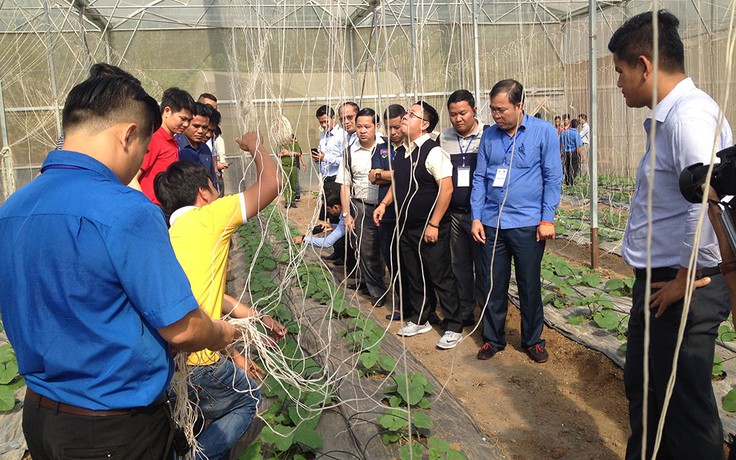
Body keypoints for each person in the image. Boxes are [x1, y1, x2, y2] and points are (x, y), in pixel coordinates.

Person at [0, 71, 238, 459]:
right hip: (112, 429)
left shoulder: (12, 209)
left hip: (40, 418)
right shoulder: (126, 211)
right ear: (128, 135)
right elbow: (181, 330)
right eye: (143, 153)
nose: (139, 167)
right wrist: (219, 333)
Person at [608, 10, 732, 459]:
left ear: (644, 65)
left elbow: (710, 204)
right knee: (648, 388)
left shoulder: (689, 118)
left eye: (620, 72)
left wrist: (685, 276)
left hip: (683, 285)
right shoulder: (674, 116)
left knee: (682, 405)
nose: (618, 83)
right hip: (665, 281)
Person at [155, 132, 284, 460]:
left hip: (170, 364)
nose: (217, 193)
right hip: (200, 360)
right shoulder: (208, 217)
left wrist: (254, 322)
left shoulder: (168, 234)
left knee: (193, 413)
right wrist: (255, 144)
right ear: (203, 193)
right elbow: (272, 184)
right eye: (214, 187)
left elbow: (205, 298)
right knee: (249, 400)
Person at [471, 79, 562, 364]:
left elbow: (553, 177)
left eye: (502, 110)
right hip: (492, 222)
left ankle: (533, 340)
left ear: (519, 105)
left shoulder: (544, 132)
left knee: (529, 283)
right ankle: (492, 338)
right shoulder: (489, 136)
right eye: (493, 110)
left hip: (527, 223)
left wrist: (547, 218)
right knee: (492, 283)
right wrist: (476, 217)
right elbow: (479, 178)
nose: (496, 115)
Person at [373, 101, 464, 350]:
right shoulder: (402, 151)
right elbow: (398, 184)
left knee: (439, 274)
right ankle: (421, 318)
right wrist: (384, 204)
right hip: (406, 226)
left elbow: (446, 189)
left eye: (410, 115)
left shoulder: (433, 152)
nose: (404, 118)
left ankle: (454, 325)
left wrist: (434, 224)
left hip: (430, 227)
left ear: (424, 124)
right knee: (414, 273)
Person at [438, 89, 488, 327]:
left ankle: (487, 315)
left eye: (463, 113)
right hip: (455, 214)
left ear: (474, 111)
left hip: (482, 216)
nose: (458, 119)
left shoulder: (488, 135)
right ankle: (466, 311)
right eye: (453, 114)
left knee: (485, 266)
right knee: (459, 265)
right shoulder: (444, 139)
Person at [337, 107, 387, 306]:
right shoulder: (349, 153)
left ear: (377, 126)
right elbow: (345, 185)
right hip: (361, 206)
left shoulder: (387, 148)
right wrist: (347, 213)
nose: (362, 130)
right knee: (365, 249)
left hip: (385, 206)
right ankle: (377, 291)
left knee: (385, 249)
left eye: (367, 126)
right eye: (359, 126)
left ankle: (375, 283)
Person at [134, 87, 195, 204]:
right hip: (153, 207)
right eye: (183, 119)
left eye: (189, 120)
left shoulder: (172, 141)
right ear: (167, 111)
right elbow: (132, 178)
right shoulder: (154, 138)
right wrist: (146, 207)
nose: (186, 124)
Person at [293, 182, 346, 249]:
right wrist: (332, 226)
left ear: (336, 207)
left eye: (328, 209)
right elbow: (343, 228)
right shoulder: (349, 210)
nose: (327, 212)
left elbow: (327, 243)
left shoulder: (346, 218)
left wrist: (303, 239)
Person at [179, 102, 218, 189]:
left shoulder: (205, 149)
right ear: (186, 122)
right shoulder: (176, 147)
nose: (200, 131)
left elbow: (213, 182)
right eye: (196, 126)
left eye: (205, 127)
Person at [313, 105, 344, 182]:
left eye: (326, 121)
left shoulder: (342, 135)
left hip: (337, 178)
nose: (323, 125)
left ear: (333, 118)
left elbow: (345, 161)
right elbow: (322, 155)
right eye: (321, 122)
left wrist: (325, 158)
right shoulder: (323, 136)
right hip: (324, 178)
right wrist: (318, 158)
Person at [280, 133, 303, 209]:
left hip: (293, 167)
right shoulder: (281, 144)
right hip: (285, 167)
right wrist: (284, 154)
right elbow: (279, 154)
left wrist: (288, 153)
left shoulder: (294, 144)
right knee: (286, 185)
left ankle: (293, 201)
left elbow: (299, 153)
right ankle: (287, 201)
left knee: (293, 184)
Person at [560, 118, 583, 186]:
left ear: (570, 124)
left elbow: (560, 144)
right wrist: (581, 156)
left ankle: (567, 181)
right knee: (574, 168)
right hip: (573, 153)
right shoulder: (576, 134)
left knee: (567, 167)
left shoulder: (563, 133)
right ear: (577, 126)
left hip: (565, 153)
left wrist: (561, 152)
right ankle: (571, 182)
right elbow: (578, 146)